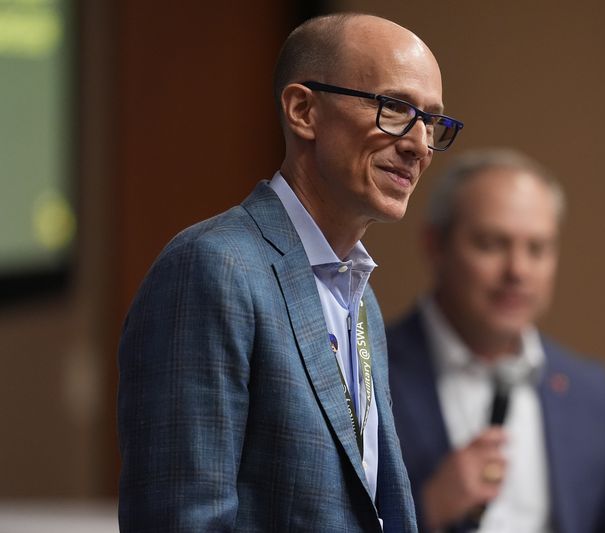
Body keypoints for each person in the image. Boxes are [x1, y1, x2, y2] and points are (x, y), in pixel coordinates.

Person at [117, 13, 463, 532]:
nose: (418, 144)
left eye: (431, 121)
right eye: (395, 109)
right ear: (304, 110)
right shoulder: (213, 269)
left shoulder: (358, 293)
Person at [387, 149, 605, 533]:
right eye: (491, 244)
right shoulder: (367, 369)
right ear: (434, 246)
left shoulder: (592, 393)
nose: (518, 271)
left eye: (537, 249)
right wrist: (428, 509)